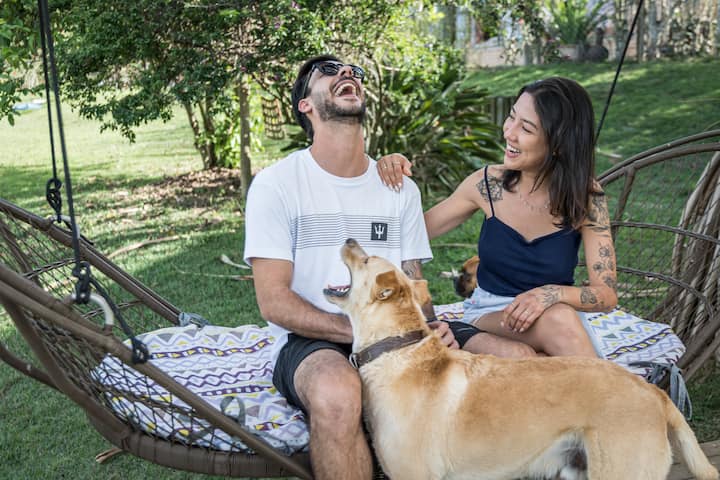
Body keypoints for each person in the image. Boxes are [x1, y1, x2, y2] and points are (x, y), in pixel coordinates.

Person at [378, 77, 618, 358]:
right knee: (559, 323)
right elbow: (410, 231)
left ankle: (584, 382)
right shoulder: (487, 186)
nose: (509, 133)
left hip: (554, 315)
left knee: (552, 334)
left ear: (559, 144)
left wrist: (551, 294)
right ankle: (604, 385)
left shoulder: (585, 197)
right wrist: (387, 177)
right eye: (511, 117)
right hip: (492, 313)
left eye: (526, 128)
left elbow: (606, 295)